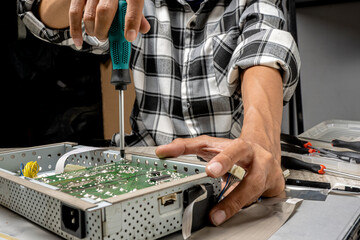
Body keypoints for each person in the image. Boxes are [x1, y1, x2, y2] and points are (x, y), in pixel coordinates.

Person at [18, 0, 300, 226]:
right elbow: (38, 14)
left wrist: (259, 140)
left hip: (227, 186)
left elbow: (264, 47)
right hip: (140, 170)